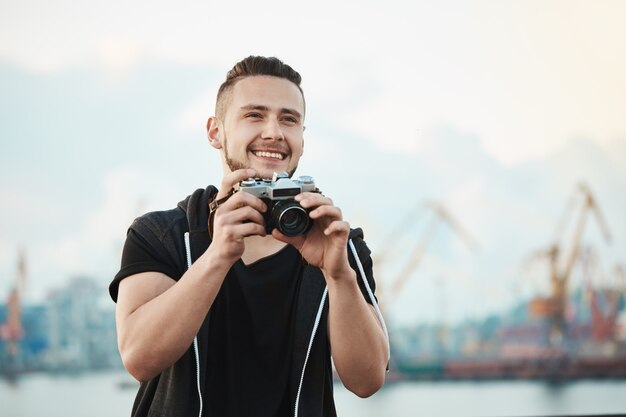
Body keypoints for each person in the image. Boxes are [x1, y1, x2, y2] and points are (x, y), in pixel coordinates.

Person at [109, 55, 389, 417]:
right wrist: (218, 255)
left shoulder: (337, 240)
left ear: (302, 139)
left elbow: (367, 381)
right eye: (254, 115)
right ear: (215, 132)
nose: (274, 132)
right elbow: (139, 358)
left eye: (289, 119)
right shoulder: (161, 234)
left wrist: (338, 276)